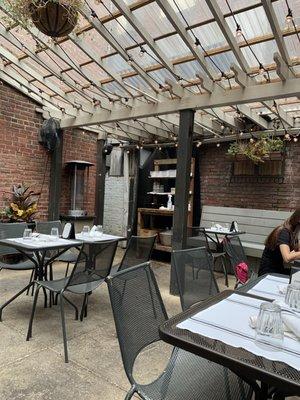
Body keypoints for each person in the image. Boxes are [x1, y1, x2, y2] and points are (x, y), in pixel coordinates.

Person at [258, 208, 300, 276]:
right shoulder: (284, 232)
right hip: (268, 274)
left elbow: (297, 250)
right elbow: (287, 258)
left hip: (277, 270)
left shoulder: (293, 232)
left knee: (297, 274)